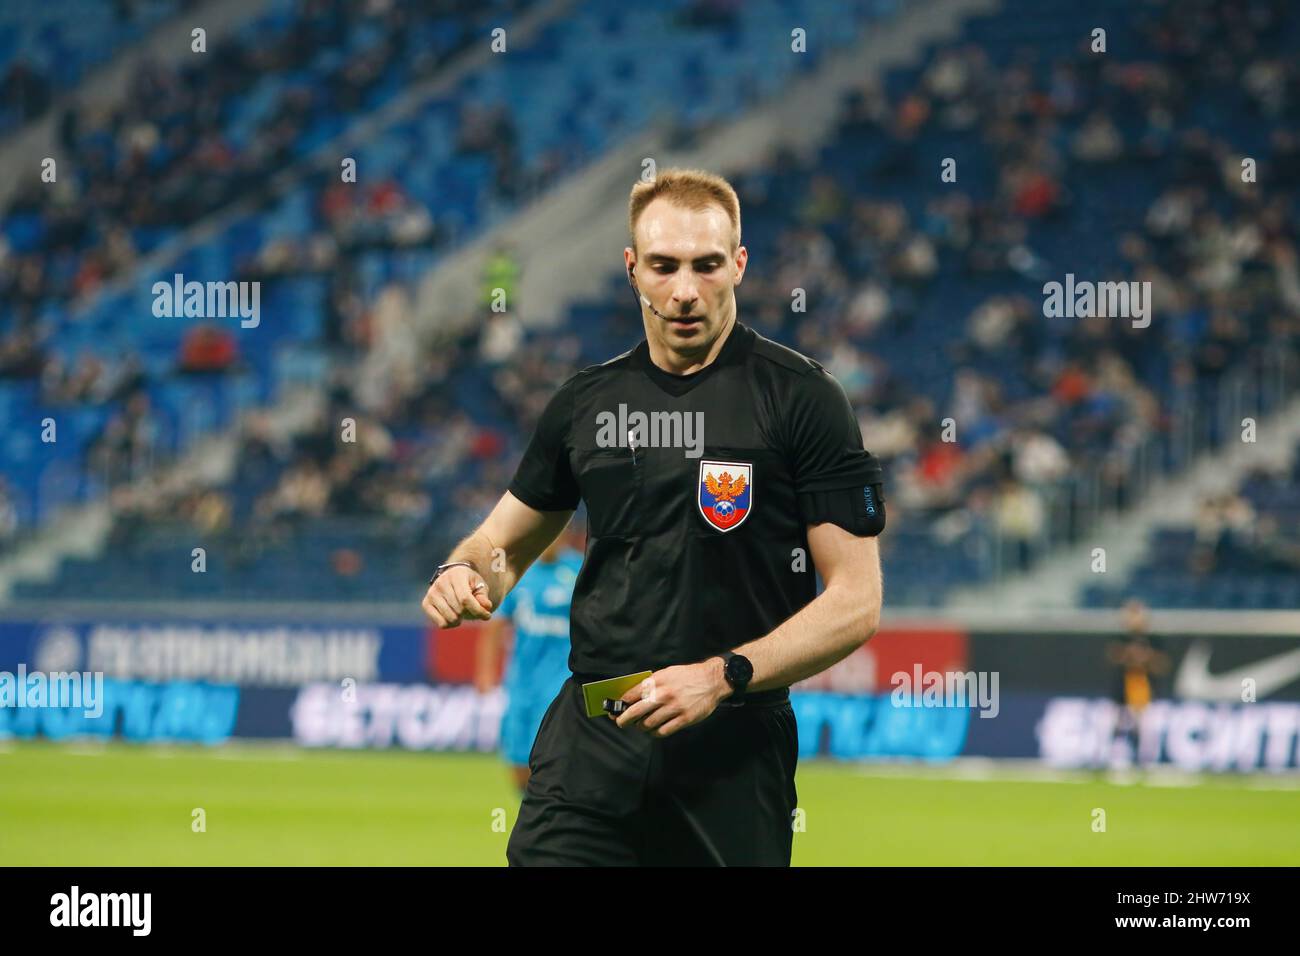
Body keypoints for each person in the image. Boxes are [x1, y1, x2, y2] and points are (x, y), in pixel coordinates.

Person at [421, 168, 886, 866]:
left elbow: (856, 600)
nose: (686, 290)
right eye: (664, 267)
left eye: (706, 265)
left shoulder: (803, 400)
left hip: (733, 748)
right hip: (591, 742)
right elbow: (502, 545)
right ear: (633, 270)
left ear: (740, 264)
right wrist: (464, 569)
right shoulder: (586, 403)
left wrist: (721, 675)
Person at [476, 526, 583, 792]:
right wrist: (486, 673)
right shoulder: (518, 572)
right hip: (521, 683)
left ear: (565, 534)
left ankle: (552, 822)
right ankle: (537, 819)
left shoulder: (579, 570)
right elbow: (495, 626)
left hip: (560, 684)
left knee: (548, 761)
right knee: (518, 769)